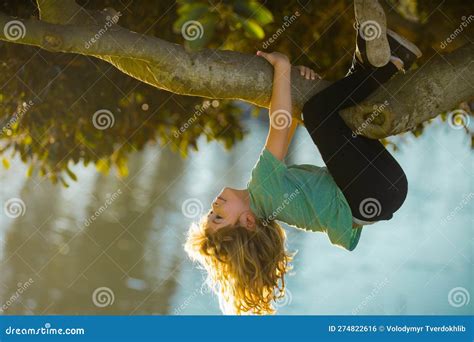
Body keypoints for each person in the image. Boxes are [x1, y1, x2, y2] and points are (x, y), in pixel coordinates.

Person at [185, 23, 422, 315]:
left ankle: (367, 62)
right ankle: (394, 64)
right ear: (248, 222)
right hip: (371, 190)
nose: (213, 206)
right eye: (219, 217)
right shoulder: (264, 191)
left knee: (331, 115)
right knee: (318, 114)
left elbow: (293, 118)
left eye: (210, 213)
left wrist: (298, 80)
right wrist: (282, 66)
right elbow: (282, 125)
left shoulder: (273, 203)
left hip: (383, 192)